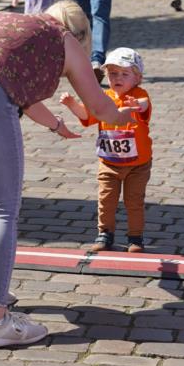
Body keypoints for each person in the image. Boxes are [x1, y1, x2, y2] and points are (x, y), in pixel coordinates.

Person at [0, 0, 139, 349]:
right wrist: (124, 117)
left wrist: (56, 125)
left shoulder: (16, 23)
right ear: (79, 34)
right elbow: (98, 105)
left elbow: (16, 88)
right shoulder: (64, 39)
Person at [60, 47, 151, 254]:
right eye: (112, 74)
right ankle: (105, 233)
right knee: (106, 199)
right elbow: (87, 115)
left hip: (138, 164)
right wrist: (72, 104)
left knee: (134, 201)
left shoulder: (139, 95)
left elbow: (145, 105)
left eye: (124, 74)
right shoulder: (102, 98)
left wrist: (137, 104)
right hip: (109, 162)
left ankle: (135, 237)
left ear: (137, 78)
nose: (117, 78)